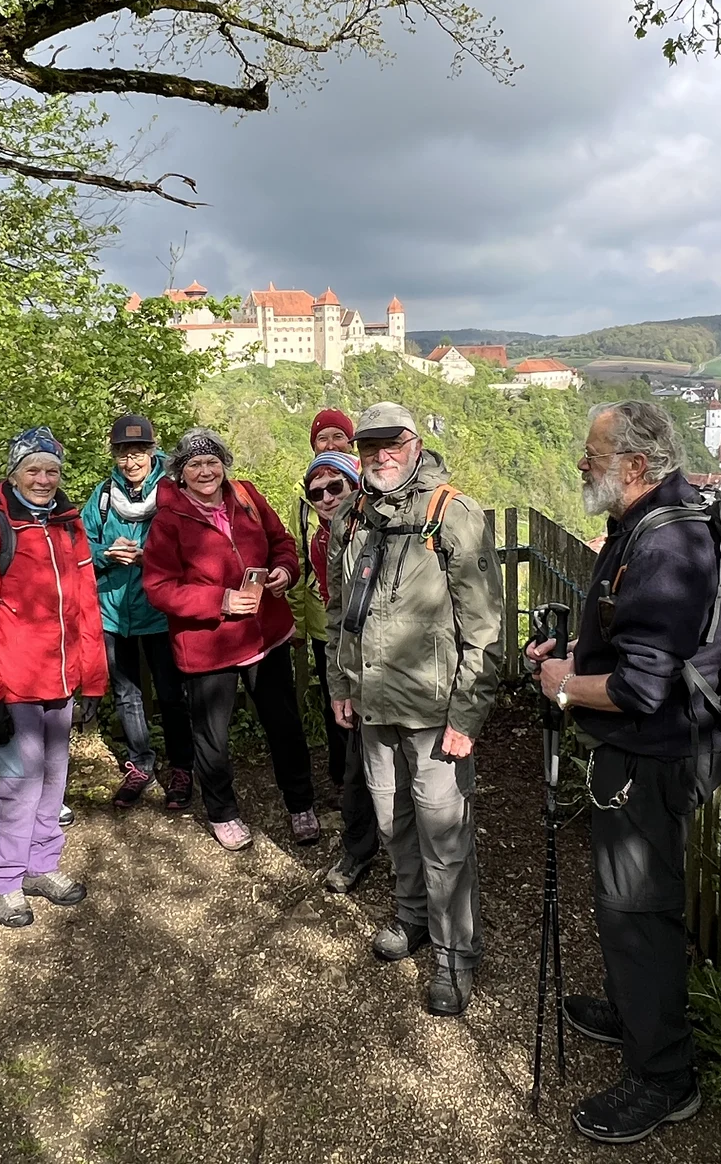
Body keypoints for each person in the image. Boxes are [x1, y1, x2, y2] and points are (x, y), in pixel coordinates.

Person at [528, 399, 721, 1144]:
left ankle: (664, 1077)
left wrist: (560, 687)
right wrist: (572, 661)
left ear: (634, 466)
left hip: (652, 760)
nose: (582, 463)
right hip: (635, 755)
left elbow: (642, 689)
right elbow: (630, 649)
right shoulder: (644, 525)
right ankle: (634, 1009)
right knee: (624, 909)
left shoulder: (668, 547)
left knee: (639, 914)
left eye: (593, 453)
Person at [326, 402, 503, 1017]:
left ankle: (456, 956)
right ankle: (412, 918)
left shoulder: (451, 514)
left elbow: (484, 631)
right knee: (392, 821)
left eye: (391, 443)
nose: (380, 455)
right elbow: (338, 611)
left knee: (444, 837)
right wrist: (341, 685)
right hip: (374, 705)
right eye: (368, 445)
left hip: (433, 712)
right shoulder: (349, 517)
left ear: (415, 442)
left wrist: (466, 717)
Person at [0, 427, 108, 926]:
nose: (43, 479)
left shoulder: (69, 525)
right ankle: (3, 878)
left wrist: (93, 680)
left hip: (60, 680)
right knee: (19, 783)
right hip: (12, 684)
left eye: (51, 470)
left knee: (54, 779)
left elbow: (86, 605)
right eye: (32, 469)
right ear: (13, 473)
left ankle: (42, 865)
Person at [141, 427, 320, 852]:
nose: (205, 471)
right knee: (212, 737)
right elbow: (159, 588)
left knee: (284, 724)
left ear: (224, 465)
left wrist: (283, 572)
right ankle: (222, 812)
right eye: (195, 464)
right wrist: (219, 600)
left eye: (212, 461)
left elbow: (282, 543)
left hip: (265, 634)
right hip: (208, 646)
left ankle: (301, 804)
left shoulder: (245, 496)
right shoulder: (168, 519)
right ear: (180, 474)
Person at [80, 414, 195, 810]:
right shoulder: (102, 496)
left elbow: (193, 548)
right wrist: (105, 556)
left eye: (139, 452)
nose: (131, 462)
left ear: (152, 450)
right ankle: (140, 764)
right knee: (127, 695)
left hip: (160, 611)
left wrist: (152, 558)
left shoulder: (174, 492)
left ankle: (182, 768)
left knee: (170, 694)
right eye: (124, 453)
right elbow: (80, 549)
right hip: (113, 612)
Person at [292, 438, 380, 895]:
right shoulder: (325, 539)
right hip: (355, 666)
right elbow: (334, 614)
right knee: (355, 767)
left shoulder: (383, 525)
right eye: (317, 492)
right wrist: (338, 682)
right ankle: (359, 847)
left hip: (399, 667)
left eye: (335, 485)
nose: (327, 497)